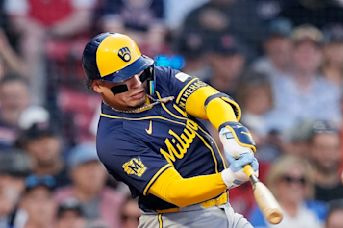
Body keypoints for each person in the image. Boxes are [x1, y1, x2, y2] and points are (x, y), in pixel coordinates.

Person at [82, 32, 259, 227]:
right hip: (175, 220)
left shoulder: (159, 78)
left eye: (138, 72)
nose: (137, 84)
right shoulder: (113, 140)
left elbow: (211, 100)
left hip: (222, 209)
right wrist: (230, 177)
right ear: (98, 85)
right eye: (123, 80)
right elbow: (174, 191)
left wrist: (229, 131)